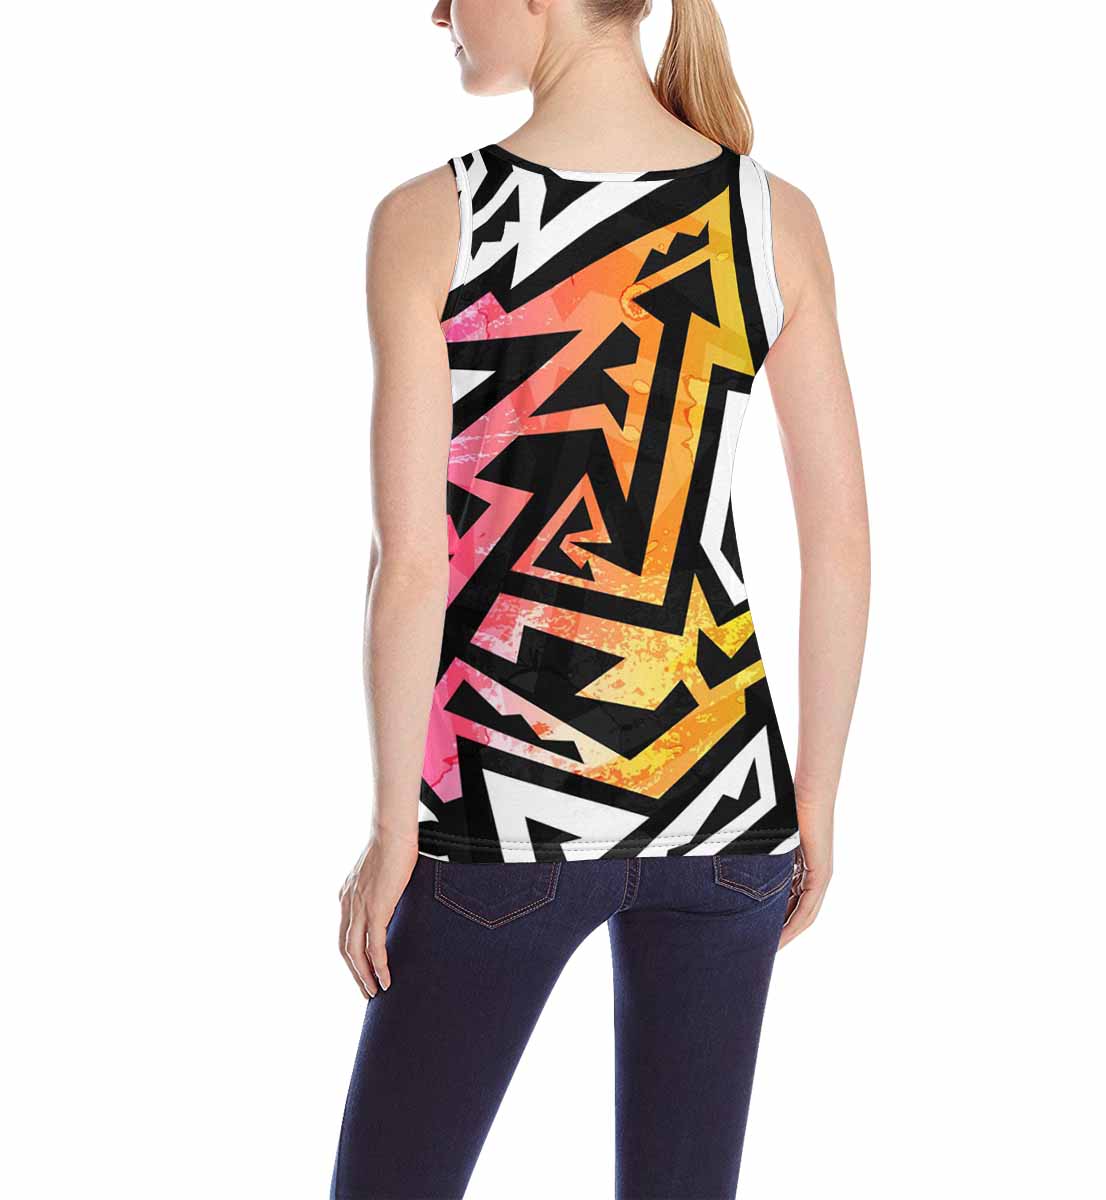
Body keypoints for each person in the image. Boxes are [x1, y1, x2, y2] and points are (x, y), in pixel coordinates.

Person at [330, 0, 869, 1195]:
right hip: (723, 807)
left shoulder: (435, 219)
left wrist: (392, 830)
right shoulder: (768, 214)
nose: (438, 12)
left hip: (498, 811)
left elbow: (411, 562)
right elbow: (839, 542)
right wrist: (815, 799)